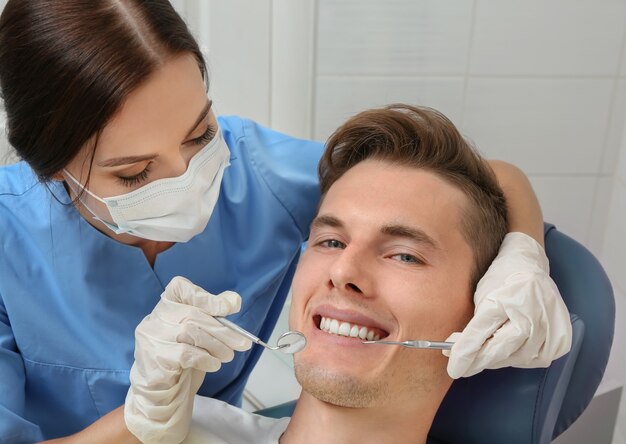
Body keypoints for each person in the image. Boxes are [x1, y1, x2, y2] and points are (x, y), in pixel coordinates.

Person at [0, 1, 569, 442]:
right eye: (134, 174)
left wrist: (522, 254)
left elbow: (467, 185)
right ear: (52, 172)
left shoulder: (257, 174)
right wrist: (143, 421)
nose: (190, 176)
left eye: (199, 135)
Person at [137, 104, 570, 444]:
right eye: (330, 242)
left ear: (482, 314)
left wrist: (526, 253)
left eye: (403, 255)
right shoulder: (177, 430)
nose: (344, 271)